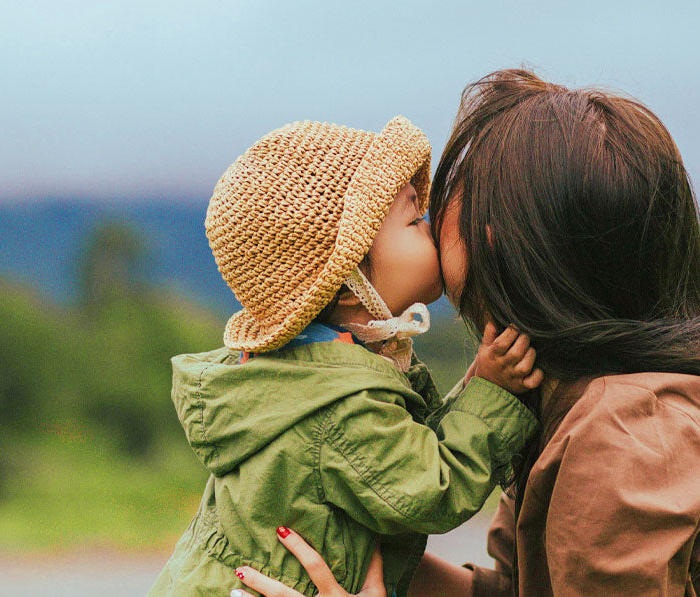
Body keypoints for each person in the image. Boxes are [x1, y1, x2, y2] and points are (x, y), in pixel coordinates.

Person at [233, 70, 700, 596]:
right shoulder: (582, 402)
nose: (431, 218)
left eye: (449, 197)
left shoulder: (624, 435)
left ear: (499, 235)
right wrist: (355, 558)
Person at [147, 115, 544, 597]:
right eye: (414, 219)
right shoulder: (339, 404)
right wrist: (494, 395)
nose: (432, 227)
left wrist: (476, 382)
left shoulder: (315, 372)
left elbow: (407, 448)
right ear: (351, 279)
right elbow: (432, 489)